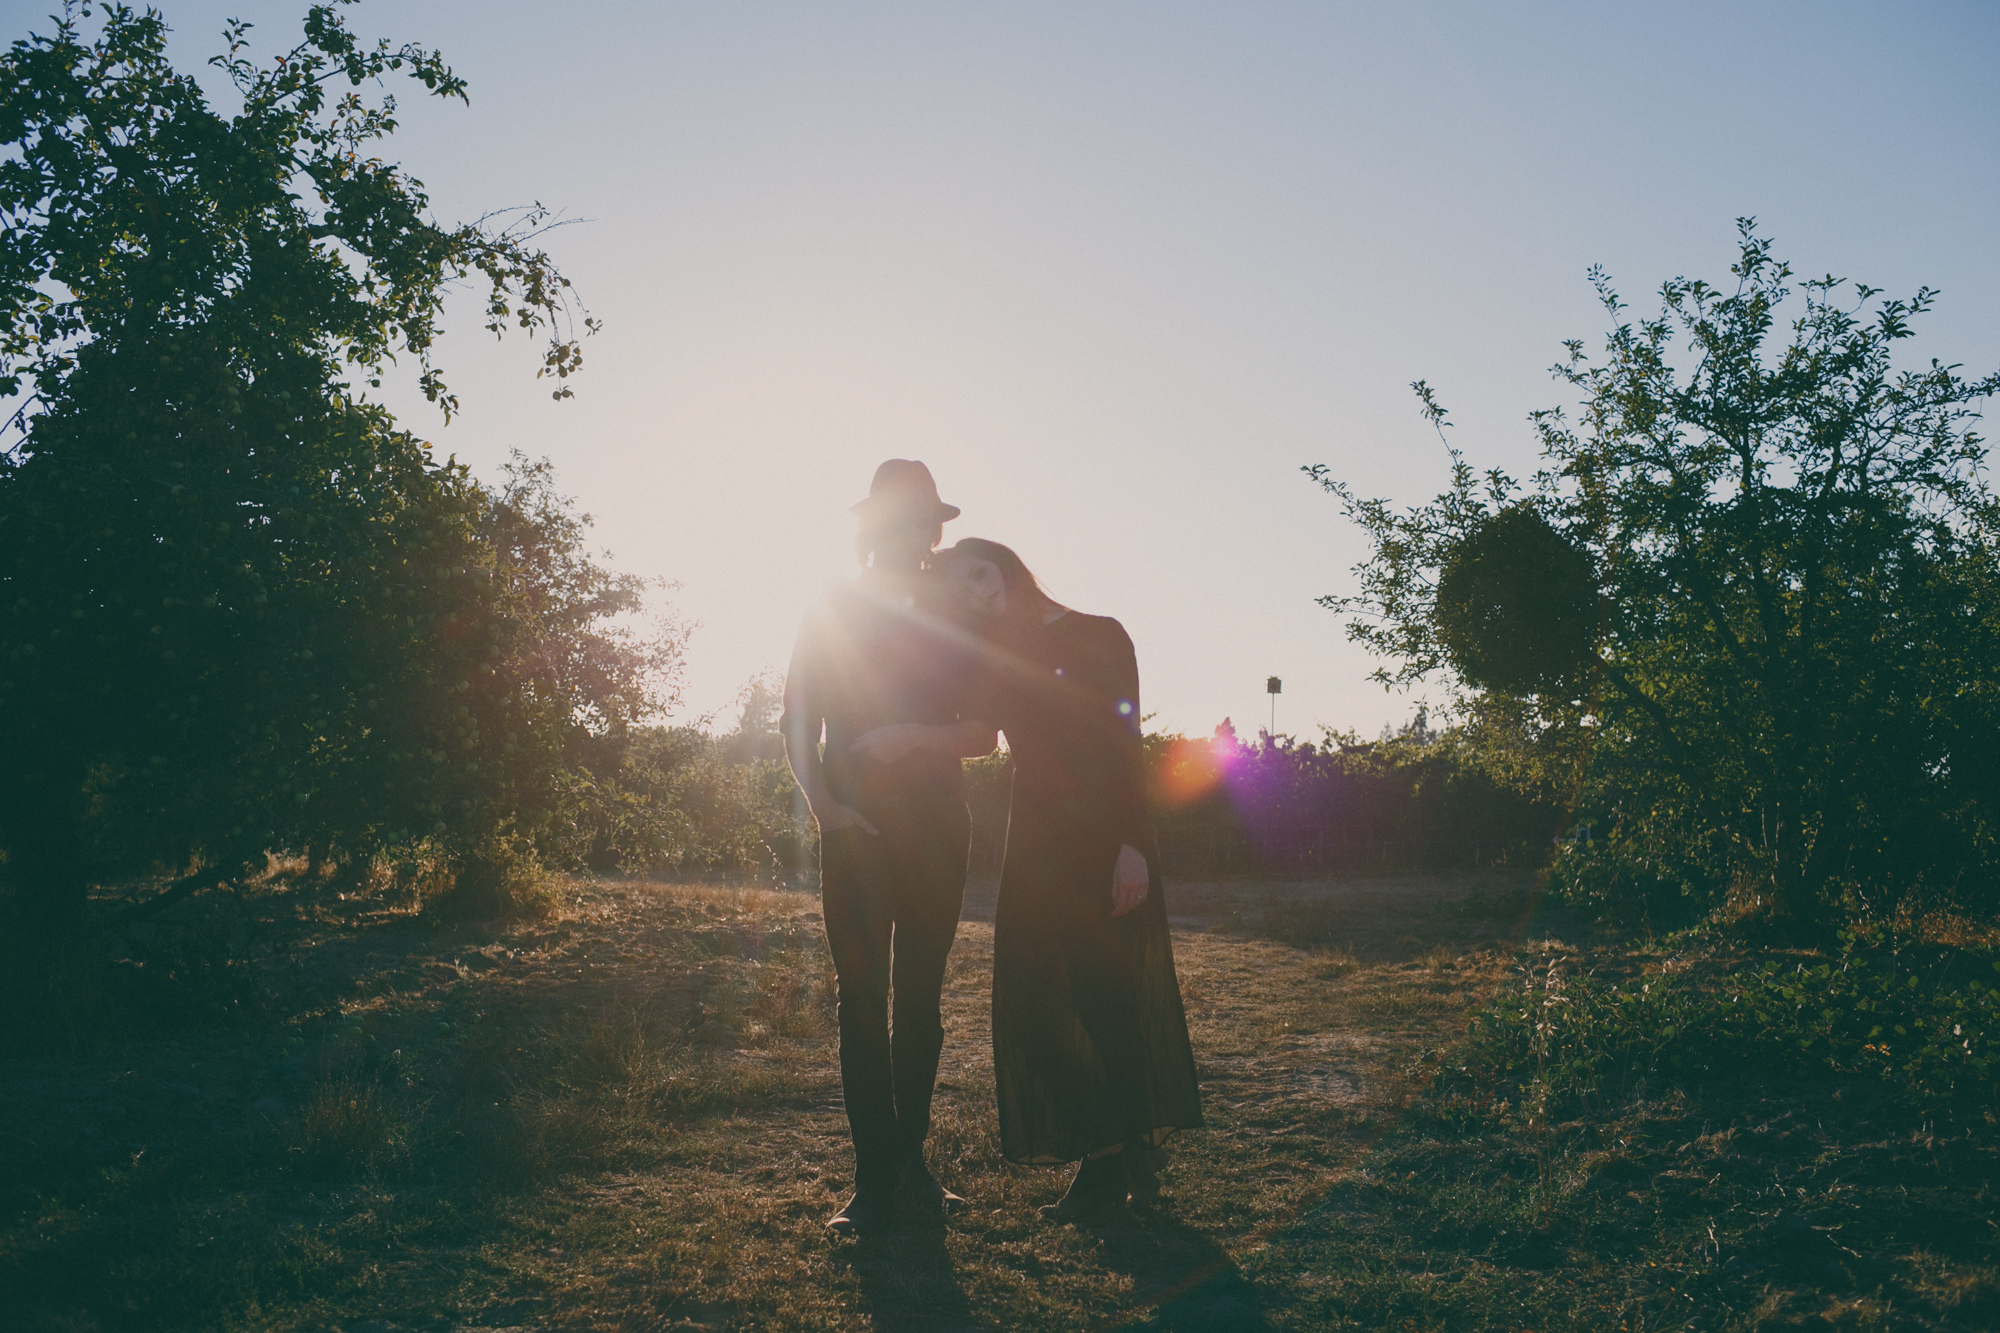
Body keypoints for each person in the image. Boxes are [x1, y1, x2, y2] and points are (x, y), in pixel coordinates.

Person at [858, 537, 1203, 1222]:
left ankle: (1119, 1161)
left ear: (1008, 566)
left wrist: (1135, 844)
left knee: (1108, 997)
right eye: (960, 590)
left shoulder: (1102, 636)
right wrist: (904, 733)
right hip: (1038, 842)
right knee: (1041, 996)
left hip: (1104, 840)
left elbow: (1125, 747)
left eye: (979, 576)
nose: (975, 594)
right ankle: (1117, 1156)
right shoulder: (993, 657)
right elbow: (979, 732)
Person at [781, 460, 995, 1236]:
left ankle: (913, 1164)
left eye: (922, 520)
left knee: (922, 1005)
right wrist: (827, 811)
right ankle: (874, 1182)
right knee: (862, 1005)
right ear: (872, 526)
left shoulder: (957, 612)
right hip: (858, 834)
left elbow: (985, 730)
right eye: (898, 520)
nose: (912, 535)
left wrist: (912, 738)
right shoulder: (834, 604)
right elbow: (796, 721)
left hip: (938, 828)